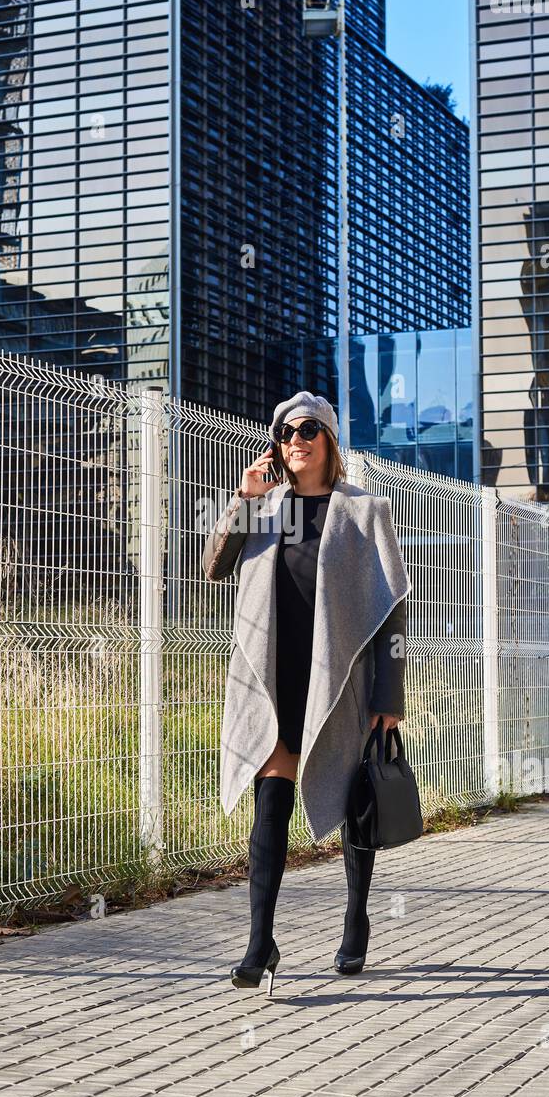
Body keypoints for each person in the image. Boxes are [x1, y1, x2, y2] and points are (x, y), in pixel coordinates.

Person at [202, 392, 410, 996]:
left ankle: (355, 917)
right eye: (287, 430)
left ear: (331, 441)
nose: (297, 439)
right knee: (272, 800)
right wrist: (243, 499)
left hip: (339, 679)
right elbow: (215, 566)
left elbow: (394, 613)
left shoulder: (363, 510)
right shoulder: (266, 508)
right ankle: (259, 941)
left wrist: (388, 693)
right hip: (273, 676)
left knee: (351, 800)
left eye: (310, 430)